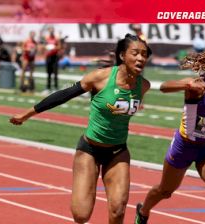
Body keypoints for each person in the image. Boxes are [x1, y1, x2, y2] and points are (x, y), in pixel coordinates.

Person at [9, 33, 152, 224]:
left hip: (118, 151)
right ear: (122, 56)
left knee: (118, 210)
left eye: (144, 54)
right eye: (135, 53)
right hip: (90, 150)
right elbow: (64, 95)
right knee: (81, 214)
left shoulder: (143, 86)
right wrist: (26, 114)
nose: (141, 58)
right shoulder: (100, 78)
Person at [134, 43, 205, 224]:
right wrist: (187, 84)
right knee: (165, 191)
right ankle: (143, 211)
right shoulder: (198, 86)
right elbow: (163, 86)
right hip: (184, 146)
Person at [43, 26, 61, 93]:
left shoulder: (56, 38)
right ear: (48, 31)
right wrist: (47, 47)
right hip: (48, 57)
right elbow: (43, 46)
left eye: (52, 30)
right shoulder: (46, 38)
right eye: (50, 30)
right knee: (48, 73)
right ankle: (48, 87)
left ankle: (56, 87)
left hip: (55, 57)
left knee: (55, 72)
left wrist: (54, 47)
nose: (51, 31)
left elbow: (59, 46)